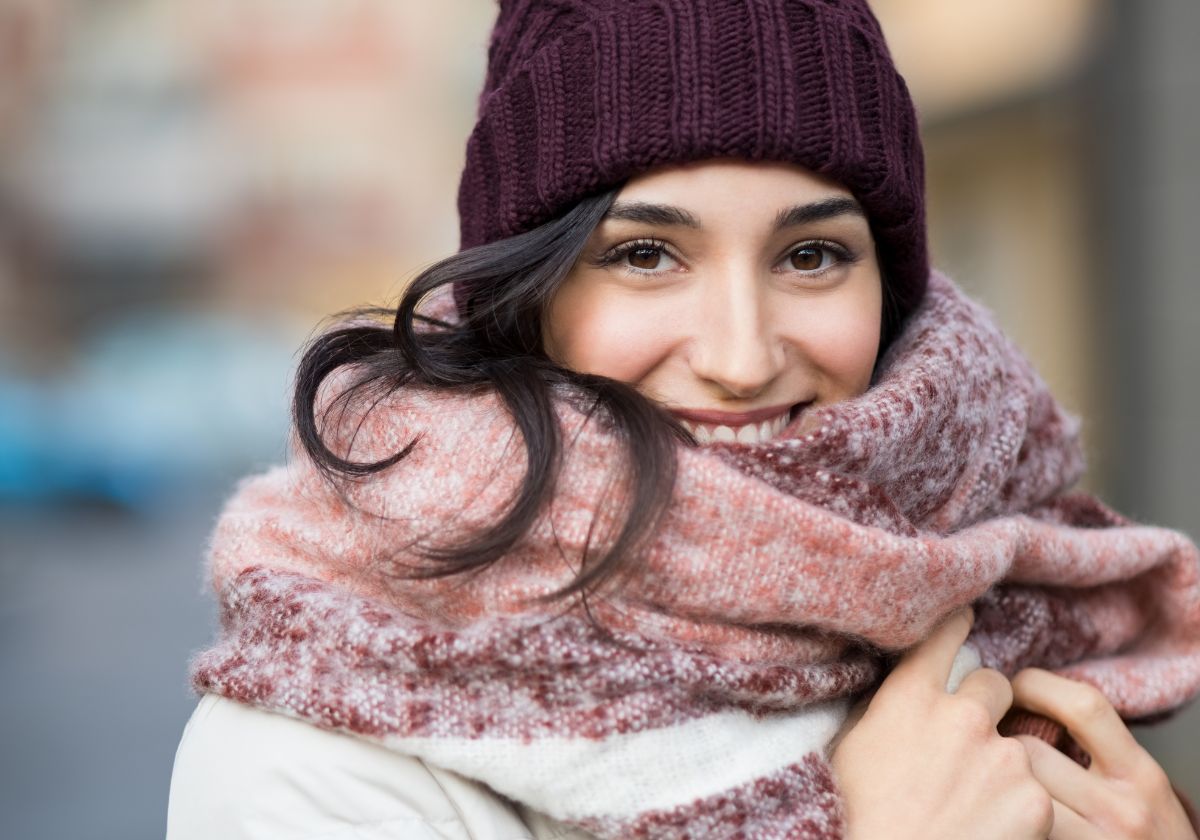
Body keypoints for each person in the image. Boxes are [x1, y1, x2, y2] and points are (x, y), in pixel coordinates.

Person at [167, 2, 1200, 838]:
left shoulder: (1003, 605)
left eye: (812, 256)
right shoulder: (322, 738)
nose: (742, 358)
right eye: (646, 255)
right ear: (526, 292)